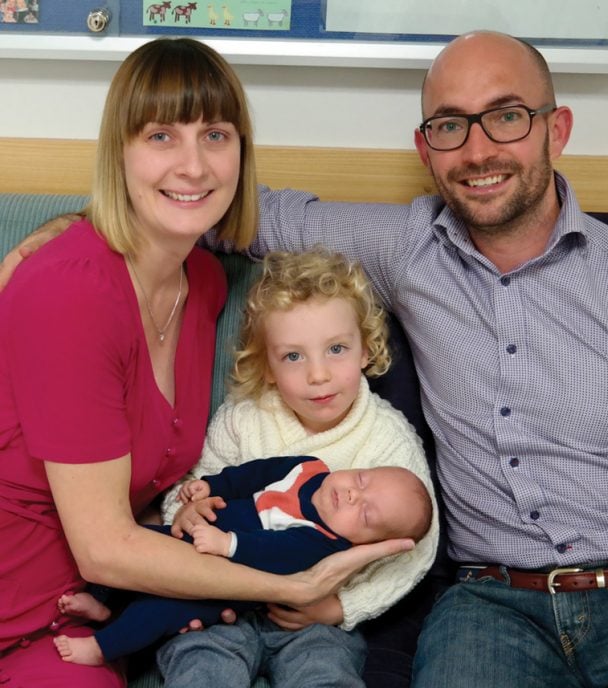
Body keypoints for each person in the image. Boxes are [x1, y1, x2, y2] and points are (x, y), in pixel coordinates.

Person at [4, 29, 608, 688]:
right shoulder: (407, 247)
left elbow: (208, 198)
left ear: (556, 130)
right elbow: (223, 209)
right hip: (492, 601)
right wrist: (80, 224)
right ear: (425, 149)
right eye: (450, 125)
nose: (477, 150)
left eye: (507, 117)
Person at [0, 38, 412, 688]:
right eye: (161, 135)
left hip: (73, 620)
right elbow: (104, 545)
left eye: (215, 134)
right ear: (121, 153)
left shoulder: (205, 284)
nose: (193, 166)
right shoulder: (69, 291)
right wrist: (290, 580)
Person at [156, 247, 438, 688]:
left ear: (366, 349)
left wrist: (343, 607)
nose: (318, 375)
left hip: (311, 617)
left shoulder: (387, 439)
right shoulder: (244, 418)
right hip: (221, 596)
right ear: (266, 366)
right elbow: (199, 482)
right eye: (293, 357)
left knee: (324, 672)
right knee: (201, 663)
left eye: (337, 349)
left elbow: (414, 552)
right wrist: (185, 509)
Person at [54, 456, 433, 667]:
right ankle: (101, 603)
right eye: (363, 481)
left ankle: (104, 646)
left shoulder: (324, 543)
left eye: (366, 515)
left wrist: (228, 544)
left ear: (362, 542)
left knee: (159, 609)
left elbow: (273, 554)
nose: (352, 496)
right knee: (135, 546)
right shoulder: (310, 468)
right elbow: (256, 472)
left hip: (223, 582)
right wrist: (213, 487)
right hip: (193, 536)